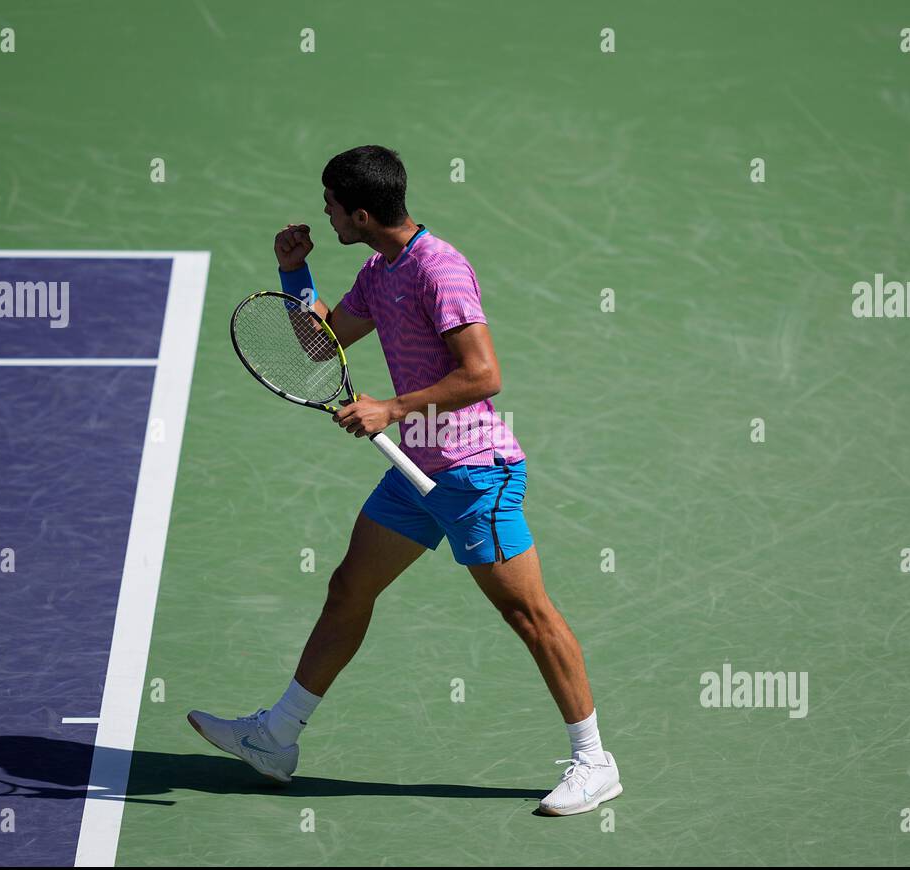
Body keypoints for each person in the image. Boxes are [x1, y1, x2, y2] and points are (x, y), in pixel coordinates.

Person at [189, 145, 620, 815]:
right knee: (348, 588)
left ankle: (595, 761)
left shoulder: (438, 270)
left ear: (361, 212)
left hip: (477, 474)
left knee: (528, 615)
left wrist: (390, 408)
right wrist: (294, 270)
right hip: (417, 470)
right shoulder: (378, 269)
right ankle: (277, 737)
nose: (324, 212)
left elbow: (484, 375)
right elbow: (318, 345)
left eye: (331, 204)